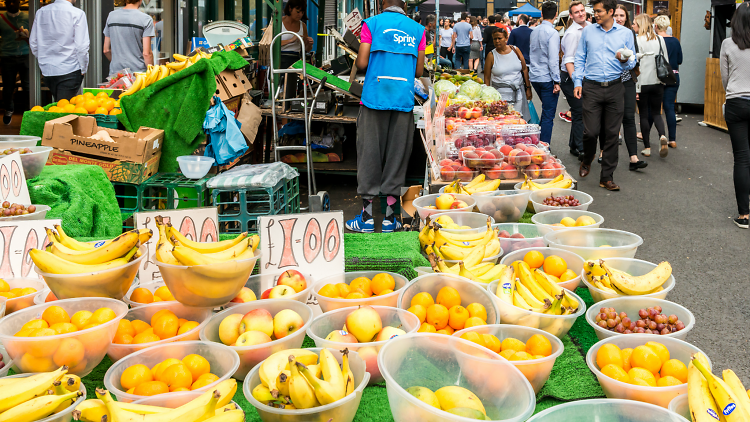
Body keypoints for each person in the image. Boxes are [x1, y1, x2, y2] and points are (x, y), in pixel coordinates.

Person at [348, 0, 425, 233]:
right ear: (403, 5)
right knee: (397, 155)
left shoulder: (371, 24)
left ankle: (368, 217)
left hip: (375, 98)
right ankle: (391, 217)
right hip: (402, 99)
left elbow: (362, 62)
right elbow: (419, 71)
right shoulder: (418, 30)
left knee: (370, 152)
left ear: (382, 3)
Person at [574, 0, 636, 191]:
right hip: (591, 87)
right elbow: (580, 57)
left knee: (611, 135)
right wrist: (578, 82)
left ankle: (606, 177)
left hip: (615, 87)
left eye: (599, 11)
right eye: (595, 11)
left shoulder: (625, 33)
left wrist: (624, 59)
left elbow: (631, 62)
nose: (595, 14)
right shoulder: (588, 31)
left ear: (610, 12)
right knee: (590, 132)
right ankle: (588, 157)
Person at [720, 1, 750, 228]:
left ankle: (744, 215)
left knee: (742, 158)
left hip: (736, 102)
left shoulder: (728, 44)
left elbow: (725, 77)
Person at [28, 0, 89, 102]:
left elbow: (33, 42)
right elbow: (81, 46)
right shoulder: (77, 13)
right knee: (64, 111)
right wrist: (83, 68)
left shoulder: (41, 12)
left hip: (48, 70)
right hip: (70, 68)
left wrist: (44, 60)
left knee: (59, 107)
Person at [613, 5, 648, 171]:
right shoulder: (608, 34)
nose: (619, 18)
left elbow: (636, 59)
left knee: (629, 118)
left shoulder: (630, 34)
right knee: (609, 119)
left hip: (627, 81)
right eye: (617, 15)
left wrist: (630, 59)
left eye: (622, 16)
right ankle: (603, 153)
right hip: (610, 81)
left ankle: (633, 158)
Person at [633, 14, 669, 158]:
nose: (632, 25)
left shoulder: (637, 40)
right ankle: (662, 136)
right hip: (658, 81)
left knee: (643, 114)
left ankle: (647, 147)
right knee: (656, 112)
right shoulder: (659, 39)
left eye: (635, 23)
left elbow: (634, 62)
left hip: (642, 83)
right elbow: (665, 59)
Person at [529, 2, 560, 146]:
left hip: (535, 76)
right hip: (547, 77)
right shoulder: (553, 33)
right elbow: (553, 59)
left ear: (541, 14)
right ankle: (543, 146)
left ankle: (539, 142)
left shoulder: (534, 31)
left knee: (546, 112)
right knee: (548, 114)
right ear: (556, 14)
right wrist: (557, 81)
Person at [559, 1, 588, 158]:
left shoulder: (590, 27)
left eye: (582, 10)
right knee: (580, 111)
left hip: (583, 76)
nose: (580, 14)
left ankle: (573, 145)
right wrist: (577, 82)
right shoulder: (572, 33)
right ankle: (581, 148)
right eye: (576, 12)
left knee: (579, 112)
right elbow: (568, 60)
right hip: (571, 77)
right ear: (571, 15)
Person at [484, 29, 531, 120]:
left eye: (499, 38)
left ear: (506, 38)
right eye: (494, 39)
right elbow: (487, 77)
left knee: (517, 119)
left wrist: (528, 88)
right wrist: (487, 95)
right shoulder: (491, 55)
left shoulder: (515, 50)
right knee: (502, 120)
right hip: (499, 96)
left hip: (518, 94)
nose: (497, 41)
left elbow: (524, 69)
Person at [103, 0, 154, 75]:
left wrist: (117, 63)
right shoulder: (146, 19)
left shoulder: (112, 16)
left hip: (116, 74)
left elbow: (106, 50)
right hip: (138, 74)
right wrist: (152, 73)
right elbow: (147, 54)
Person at [0, 0, 29, 125]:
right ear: (5, 3)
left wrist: (27, 34)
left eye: (14, 1)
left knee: (28, 85)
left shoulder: (27, 17)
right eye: (9, 2)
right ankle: (9, 110)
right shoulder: (1, 18)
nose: (12, 4)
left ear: (19, 3)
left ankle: (29, 112)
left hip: (26, 54)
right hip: (7, 55)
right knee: (8, 86)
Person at [655, 15, 681, 149]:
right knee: (669, 107)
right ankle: (672, 139)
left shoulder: (655, 40)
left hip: (658, 77)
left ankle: (654, 135)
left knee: (653, 108)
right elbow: (680, 60)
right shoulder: (675, 41)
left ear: (656, 26)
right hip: (673, 77)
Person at [279, 0, 314, 69]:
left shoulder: (302, 25)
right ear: (290, 8)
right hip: (280, 59)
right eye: (298, 11)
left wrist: (309, 44)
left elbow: (306, 50)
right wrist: (290, 40)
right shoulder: (278, 23)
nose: (300, 15)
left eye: (302, 12)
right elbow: (271, 43)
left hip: (296, 61)